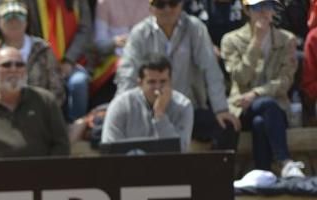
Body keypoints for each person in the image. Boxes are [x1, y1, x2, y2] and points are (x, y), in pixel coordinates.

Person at [117, 0, 241, 150]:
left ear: (181, 5)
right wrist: (123, 109)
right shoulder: (139, 33)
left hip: (187, 109)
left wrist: (221, 109)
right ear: (151, 8)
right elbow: (127, 75)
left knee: (227, 127)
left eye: (173, 3)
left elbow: (211, 69)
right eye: (161, 4)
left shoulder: (195, 28)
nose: (167, 9)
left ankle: (215, 174)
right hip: (147, 110)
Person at [221, 0, 305, 178]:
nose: (263, 12)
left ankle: (263, 174)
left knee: (261, 120)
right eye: (258, 7)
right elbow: (240, 76)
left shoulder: (286, 39)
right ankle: (285, 161)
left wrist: (256, 93)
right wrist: (256, 42)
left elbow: (285, 81)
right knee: (264, 107)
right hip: (242, 107)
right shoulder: (231, 40)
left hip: (275, 106)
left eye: (268, 6)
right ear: (247, 10)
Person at [0, 45, 71, 158]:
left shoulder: (46, 101)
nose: (13, 69)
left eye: (19, 65)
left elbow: (62, 145)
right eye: (6, 65)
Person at [0, 0, 65, 105]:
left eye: (19, 18)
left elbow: (57, 90)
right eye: (8, 18)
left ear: (27, 22)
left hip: (39, 112)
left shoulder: (43, 49)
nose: (14, 22)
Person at [101, 53, 194, 150]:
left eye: (163, 81)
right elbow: (110, 148)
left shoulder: (183, 106)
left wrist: (160, 115)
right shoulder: (121, 105)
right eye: (152, 82)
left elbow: (181, 150)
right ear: (140, 83)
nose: (157, 88)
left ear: (170, 82)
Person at [24, 0, 93, 120]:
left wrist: (69, 60)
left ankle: (75, 128)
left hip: (73, 62)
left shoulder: (78, 2)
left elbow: (85, 30)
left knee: (78, 83)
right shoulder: (30, 3)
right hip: (40, 62)